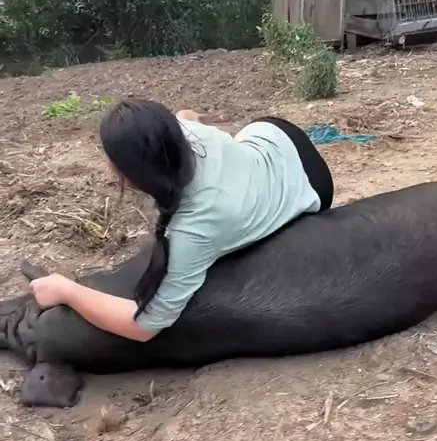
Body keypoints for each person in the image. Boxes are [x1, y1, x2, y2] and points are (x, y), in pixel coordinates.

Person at [29, 99, 334, 341]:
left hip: (313, 186)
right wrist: (188, 118)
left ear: (127, 171)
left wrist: (66, 291)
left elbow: (145, 327)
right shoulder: (185, 134)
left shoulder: (193, 231)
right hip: (276, 134)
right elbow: (185, 117)